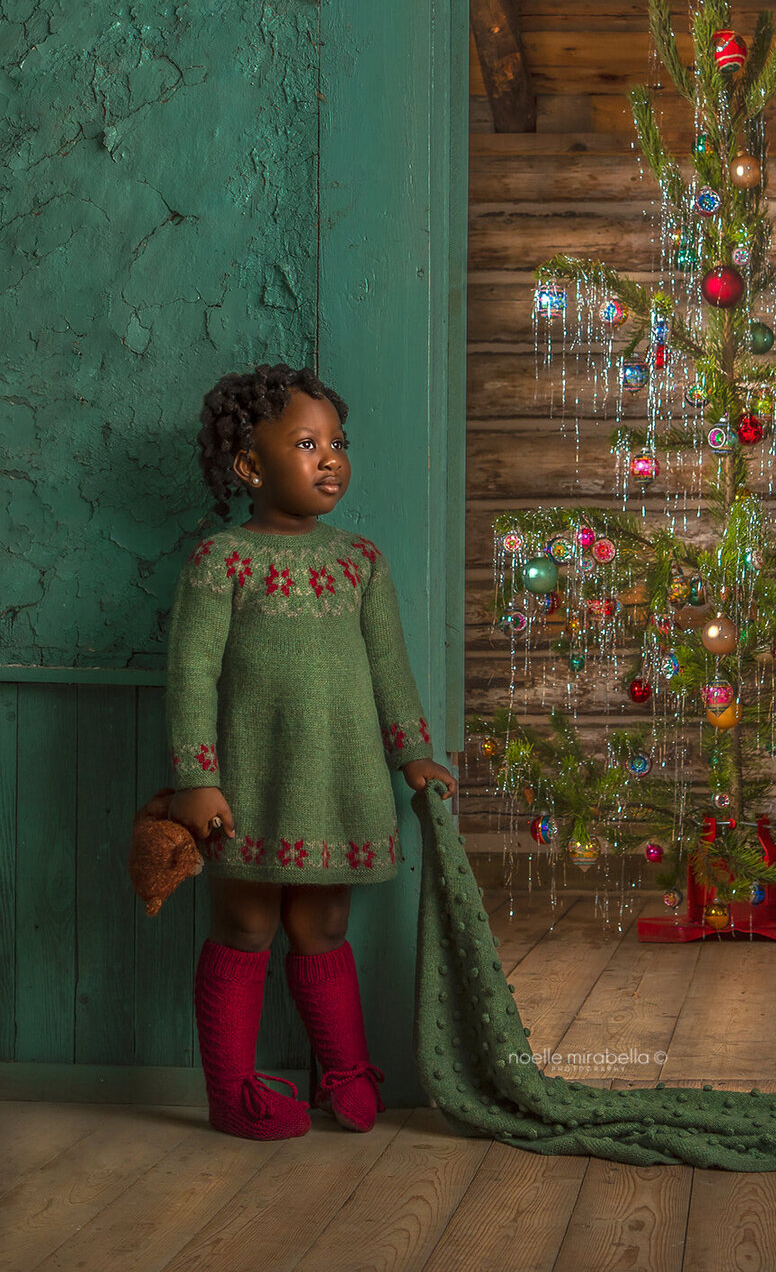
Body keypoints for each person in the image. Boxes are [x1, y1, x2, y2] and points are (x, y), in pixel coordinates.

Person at [165, 361, 458, 1141]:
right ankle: (232, 1091)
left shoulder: (361, 562)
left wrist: (414, 756)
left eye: (338, 441)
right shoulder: (221, 561)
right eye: (306, 442)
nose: (331, 457)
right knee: (247, 923)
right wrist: (196, 779)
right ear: (252, 465)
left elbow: (391, 670)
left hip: (342, 781)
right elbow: (191, 673)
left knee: (325, 926)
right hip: (252, 786)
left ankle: (344, 1072)